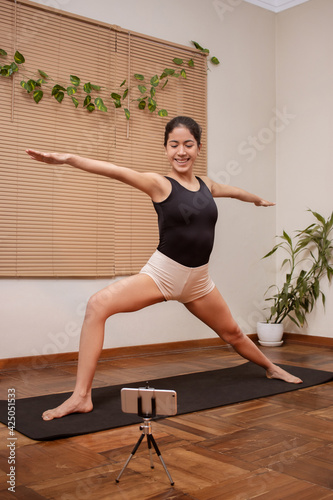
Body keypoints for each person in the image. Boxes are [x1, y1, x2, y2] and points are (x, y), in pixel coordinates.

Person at [26, 116, 302, 421]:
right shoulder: (159, 184)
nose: (181, 151)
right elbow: (116, 171)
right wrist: (68, 158)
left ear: (198, 147)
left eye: (188, 144)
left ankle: (271, 368)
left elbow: (233, 190)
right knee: (97, 305)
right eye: (174, 145)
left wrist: (256, 200)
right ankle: (81, 397)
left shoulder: (207, 185)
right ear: (166, 148)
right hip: (163, 275)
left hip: (199, 282)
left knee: (234, 332)